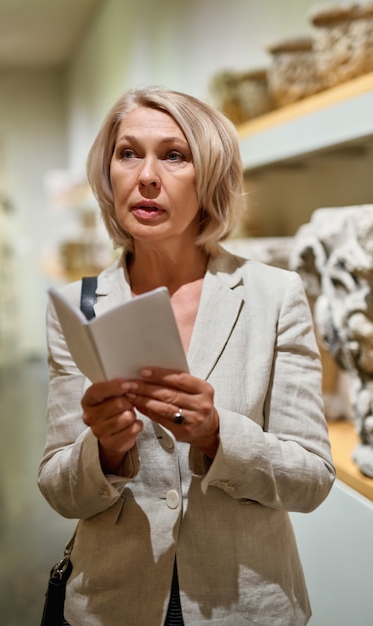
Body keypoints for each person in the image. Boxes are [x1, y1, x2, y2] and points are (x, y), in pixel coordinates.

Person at [38, 86, 335, 626]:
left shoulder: (274, 294)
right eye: (128, 153)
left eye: (174, 155)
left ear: (211, 177)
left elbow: (312, 478)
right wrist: (103, 449)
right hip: (113, 604)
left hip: (247, 603)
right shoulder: (82, 304)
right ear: (110, 175)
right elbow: (59, 487)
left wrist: (219, 434)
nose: (146, 175)